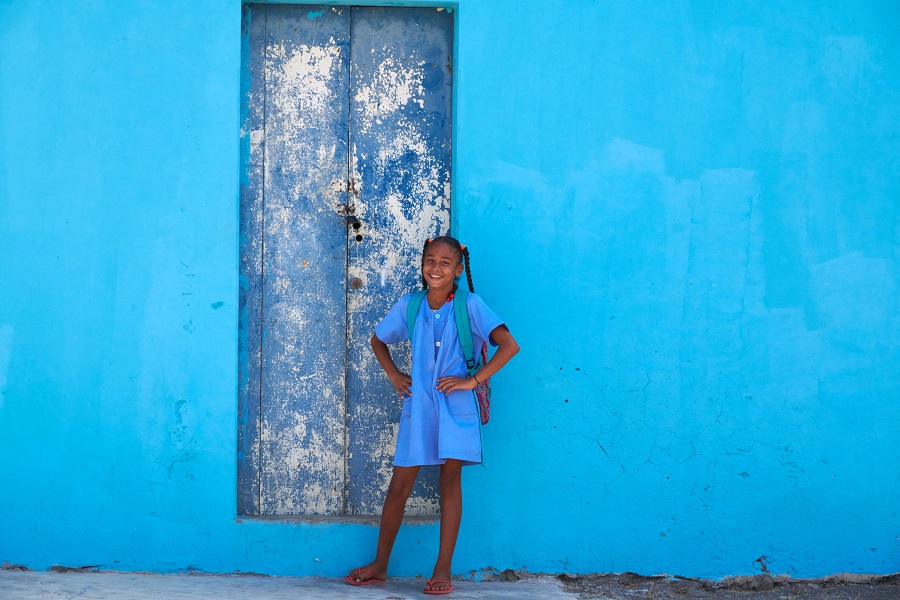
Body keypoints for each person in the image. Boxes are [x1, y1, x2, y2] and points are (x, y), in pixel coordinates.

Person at [345, 236, 520, 595]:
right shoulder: (411, 305)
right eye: (430, 260)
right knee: (399, 486)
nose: (435, 267)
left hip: (456, 409)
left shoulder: (470, 305)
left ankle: (442, 569)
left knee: (449, 481)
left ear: (458, 270)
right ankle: (380, 564)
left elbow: (509, 345)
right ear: (423, 264)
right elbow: (378, 340)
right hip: (419, 408)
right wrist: (395, 375)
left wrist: (472, 381)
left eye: (445, 262)